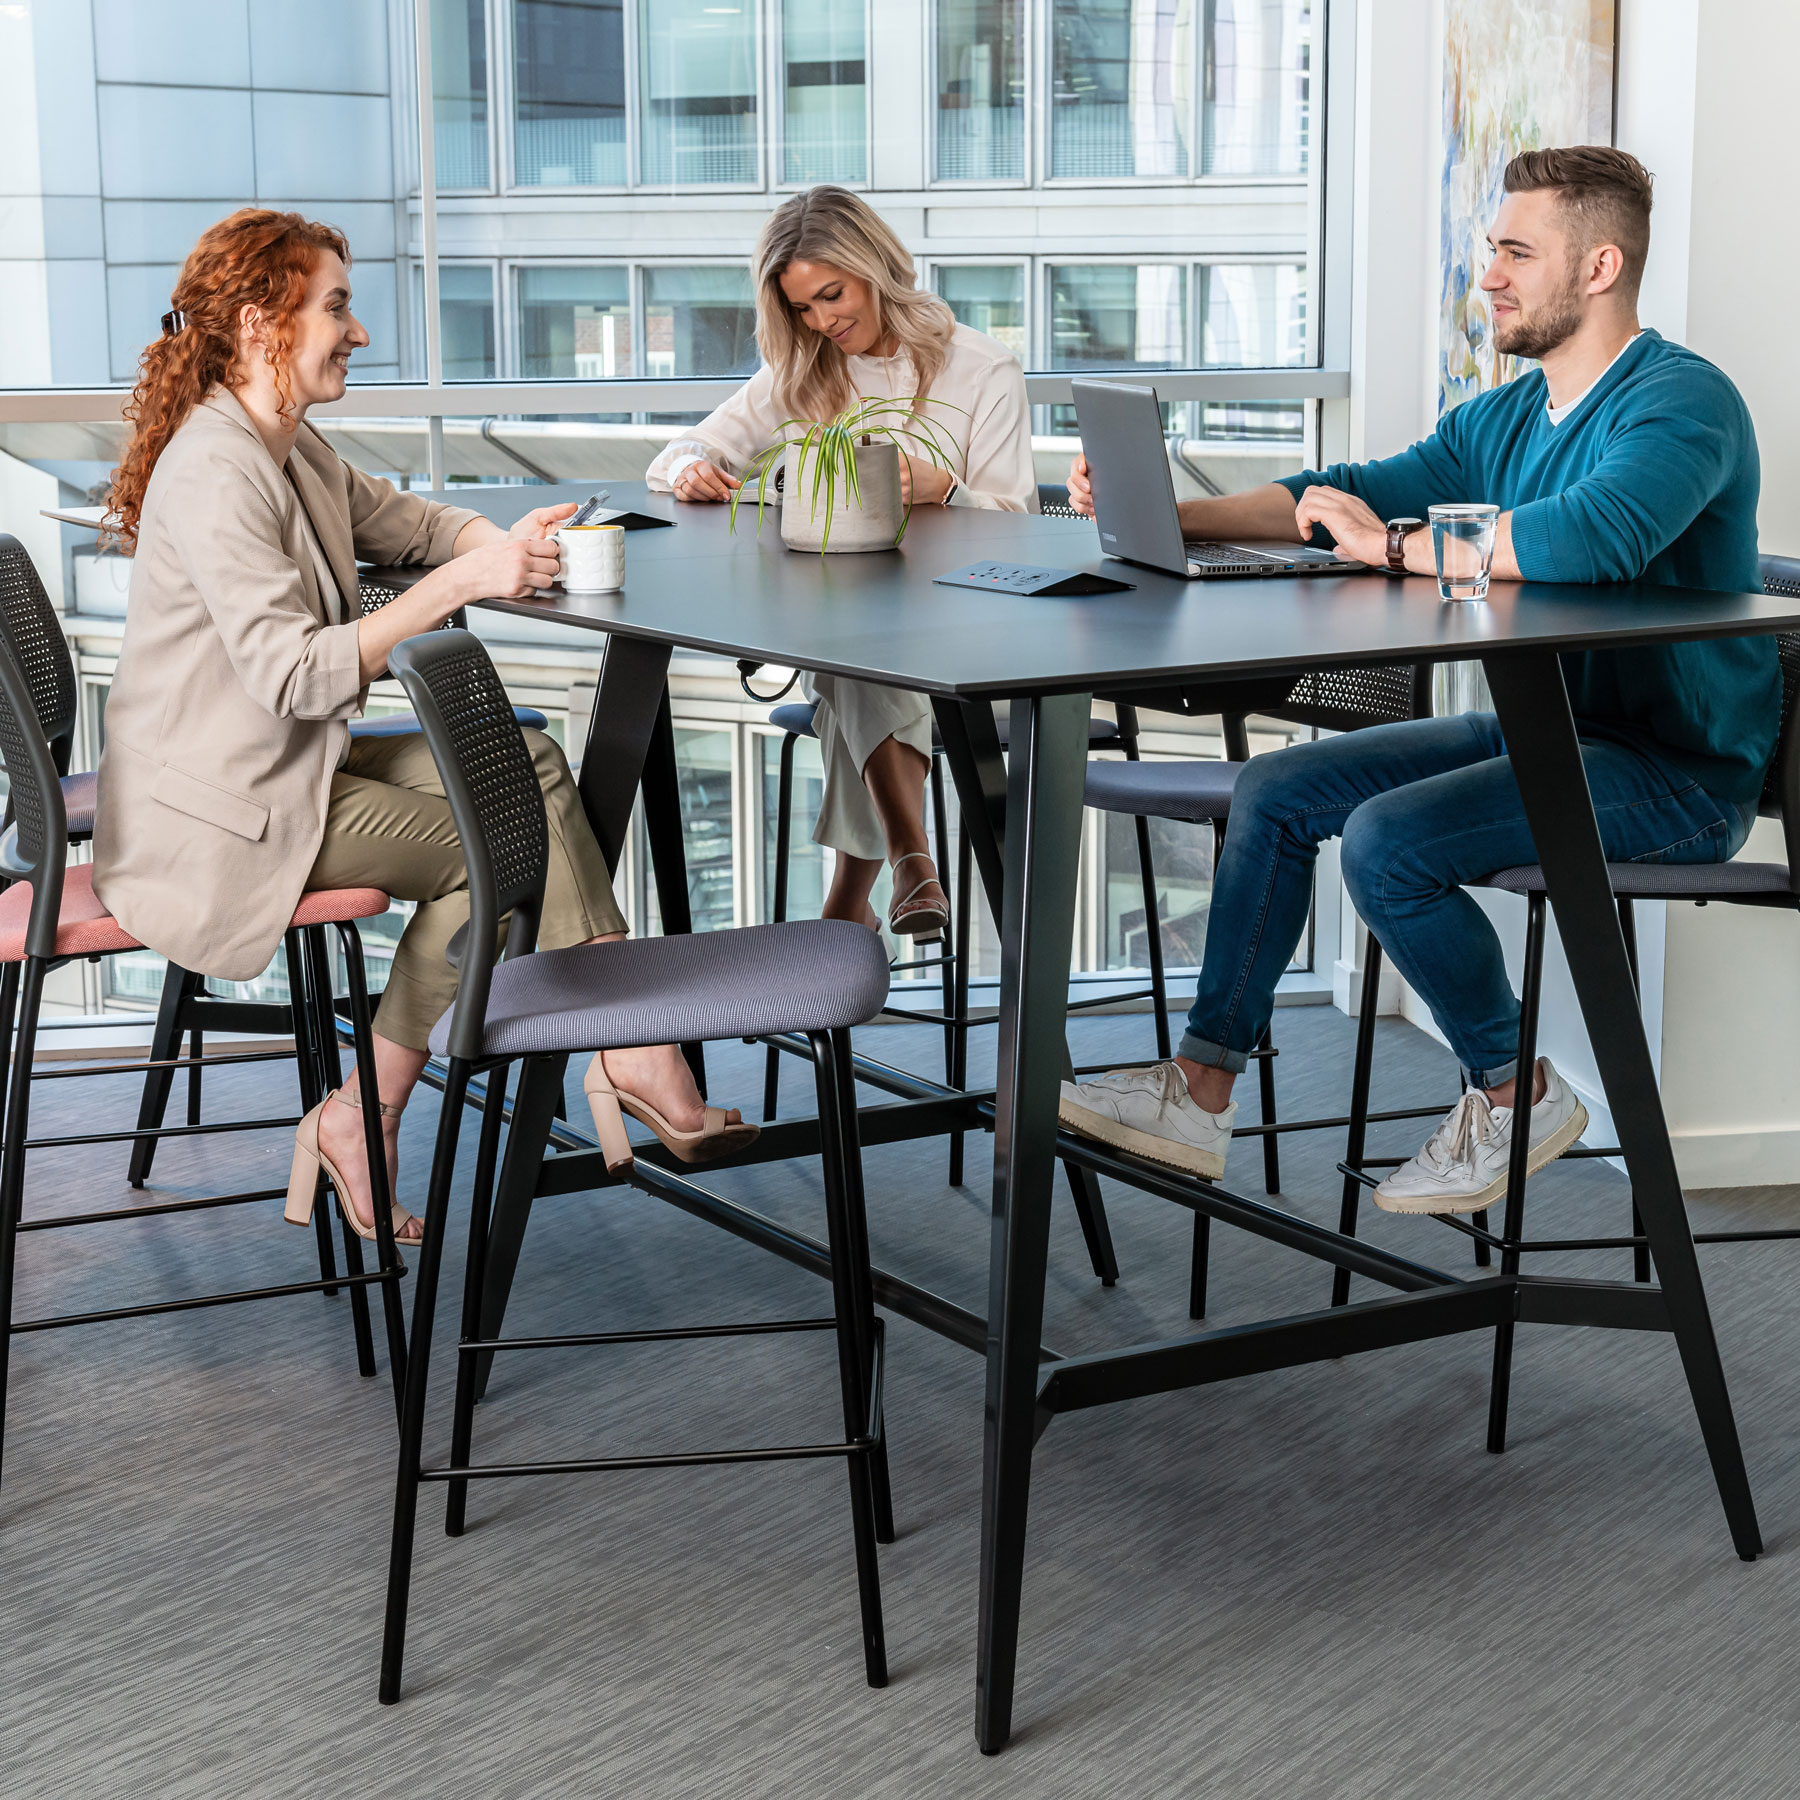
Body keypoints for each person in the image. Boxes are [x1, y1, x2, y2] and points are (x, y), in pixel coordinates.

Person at [1059, 146, 1774, 1214]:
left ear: (1599, 266)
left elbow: (1591, 538)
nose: (1489, 275)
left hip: (1677, 777)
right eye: (1491, 249)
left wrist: (1387, 548)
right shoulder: (1509, 416)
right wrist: (1170, 511)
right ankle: (1199, 1091)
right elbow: (1344, 490)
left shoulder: (1684, 403)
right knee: (1280, 791)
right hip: (1550, 735)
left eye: (1517, 253)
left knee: (1392, 846)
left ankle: (1514, 1090)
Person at [95, 209, 753, 1248]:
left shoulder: (286, 445)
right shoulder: (218, 467)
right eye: (338, 306)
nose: (358, 332)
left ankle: (624, 1043)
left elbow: (409, 520)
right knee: (496, 854)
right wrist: (462, 581)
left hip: (278, 768)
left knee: (522, 758)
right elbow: (294, 675)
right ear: (264, 321)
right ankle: (375, 1110)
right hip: (225, 807)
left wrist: (502, 543)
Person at [646, 185, 1034, 940]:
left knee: (844, 665)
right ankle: (906, 858)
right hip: (850, 630)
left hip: (964, 627)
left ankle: (853, 898)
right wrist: (692, 467)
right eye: (802, 309)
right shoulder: (807, 370)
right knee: (846, 654)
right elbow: (682, 451)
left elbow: (1021, 522)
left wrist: (946, 491)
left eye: (831, 295)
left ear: (875, 267)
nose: (823, 321)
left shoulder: (983, 370)